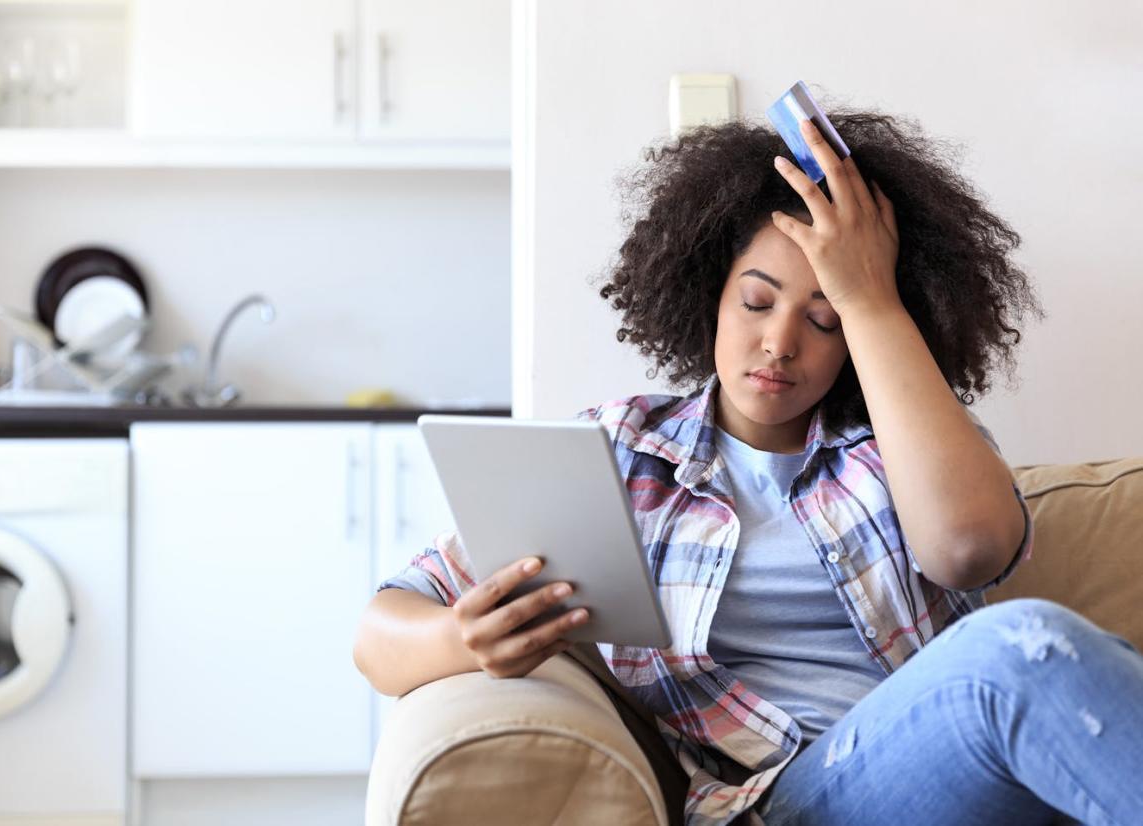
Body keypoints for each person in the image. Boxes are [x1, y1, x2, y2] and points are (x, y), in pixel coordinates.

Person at [353, 107, 1143, 825]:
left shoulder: (897, 445)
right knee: (1019, 648)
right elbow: (381, 628)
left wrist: (870, 295)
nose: (780, 344)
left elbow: (969, 545)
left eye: (825, 319)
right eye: (757, 303)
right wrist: (464, 637)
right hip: (786, 799)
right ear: (709, 297)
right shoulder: (621, 453)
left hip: (948, 774)